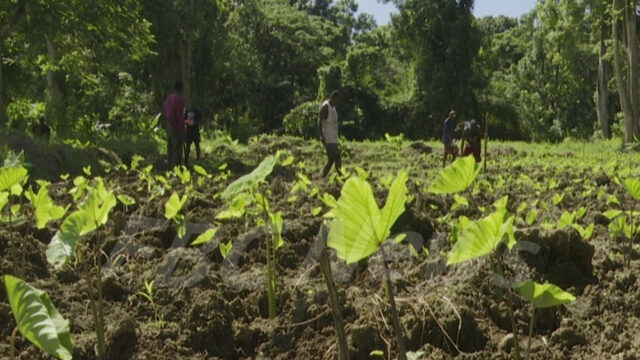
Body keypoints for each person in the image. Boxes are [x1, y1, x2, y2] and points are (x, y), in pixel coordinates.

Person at [318, 90, 343, 177]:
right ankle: (341, 176)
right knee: (337, 157)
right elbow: (319, 120)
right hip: (328, 138)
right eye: (336, 100)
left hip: (333, 138)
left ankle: (323, 176)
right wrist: (321, 135)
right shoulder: (326, 106)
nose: (337, 103)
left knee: (332, 159)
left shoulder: (333, 108)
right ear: (332, 98)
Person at [161, 81, 185, 169]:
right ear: (181, 90)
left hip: (169, 125)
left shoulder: (169, 98)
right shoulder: (179, 100)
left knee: (170, 148)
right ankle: (175, 168)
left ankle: (169, 167)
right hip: (176, 127)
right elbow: (180, 116)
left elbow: (163, 110)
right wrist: (182, 130)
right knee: (176, 149)